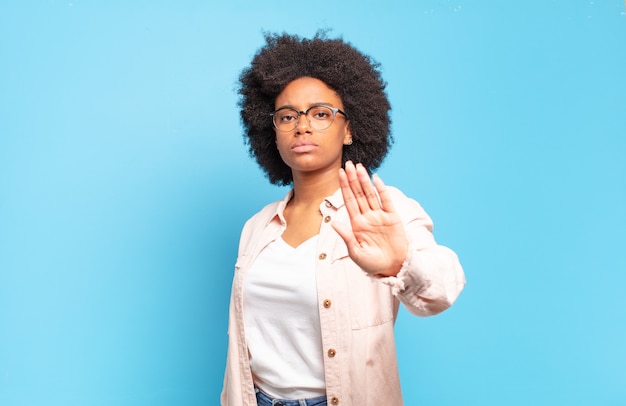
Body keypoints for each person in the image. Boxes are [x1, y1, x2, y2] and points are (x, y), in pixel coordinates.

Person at [221, 32, 466, 406]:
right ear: (272, 132)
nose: (302, 126)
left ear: (349, 128)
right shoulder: (257, 227)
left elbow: (442, 290)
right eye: (287, 116)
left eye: (321, 113)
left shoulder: (383, 210)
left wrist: (400, 264)